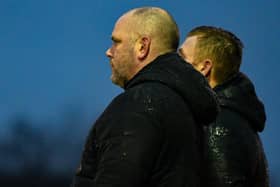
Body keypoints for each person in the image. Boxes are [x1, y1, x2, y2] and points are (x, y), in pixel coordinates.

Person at [71, 7, 219, 187]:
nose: (108, 52)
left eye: (116, 42)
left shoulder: (136, 106)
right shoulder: (189, 106)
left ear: (142, 46)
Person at [179, 26, 269, 187]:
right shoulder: (233, 118)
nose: (174, 63)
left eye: (181, 57)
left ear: (204, 67)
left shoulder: (216, 125)